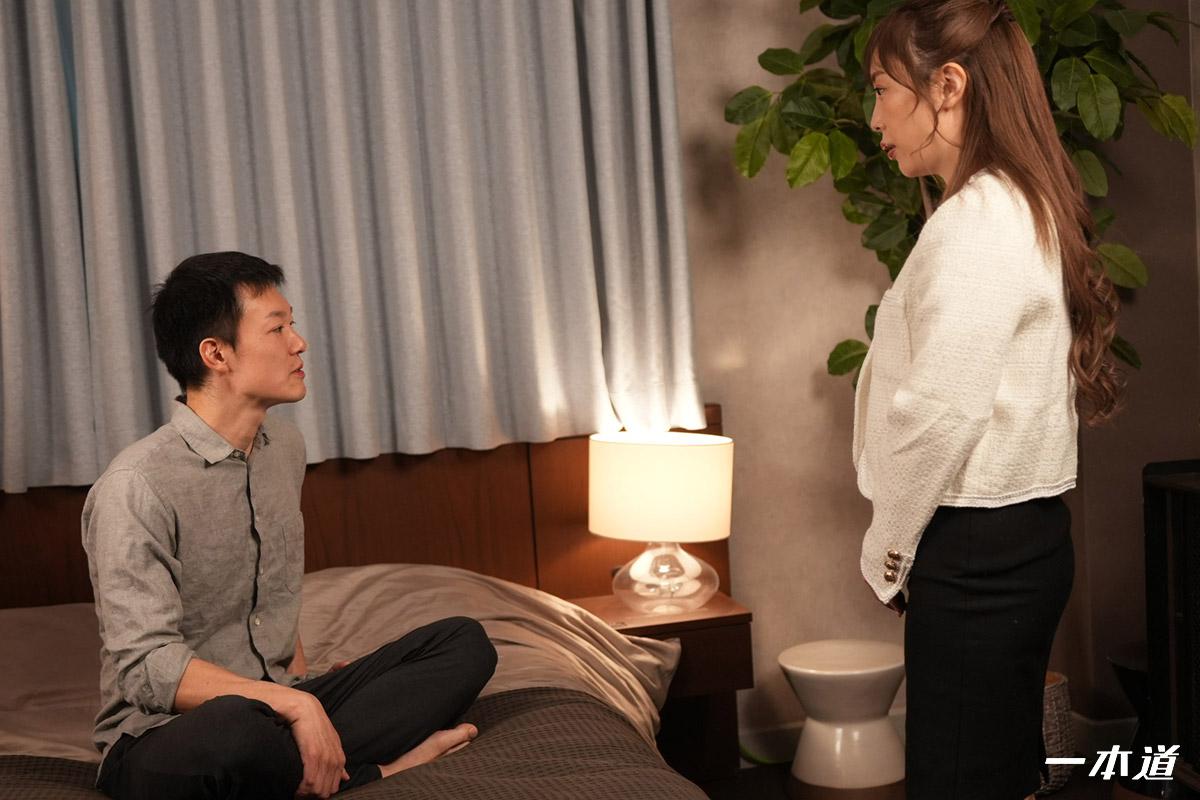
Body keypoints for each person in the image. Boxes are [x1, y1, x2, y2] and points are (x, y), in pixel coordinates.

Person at [82, 252, 497, 800]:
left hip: (282, 703)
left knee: (464, 643)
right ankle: (374, 774)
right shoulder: (135, 485)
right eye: (277, 329)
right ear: (216, 353)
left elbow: (273, 594)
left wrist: (303, 690)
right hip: (168, 732)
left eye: (291, 326)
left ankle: (308, 762)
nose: (298, 343)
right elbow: (146, 667)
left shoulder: (284, 448)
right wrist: (295, 704)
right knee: (236, 732)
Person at [851, 2, 1122, 799]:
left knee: (958, 780)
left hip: (979, 555)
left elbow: (942, 411)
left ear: (948, 85)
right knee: (993, 773)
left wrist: (888, 553)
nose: (874, 119)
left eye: (882, 90)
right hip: (1015, 545)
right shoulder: (1016, 202)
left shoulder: (977, 222)